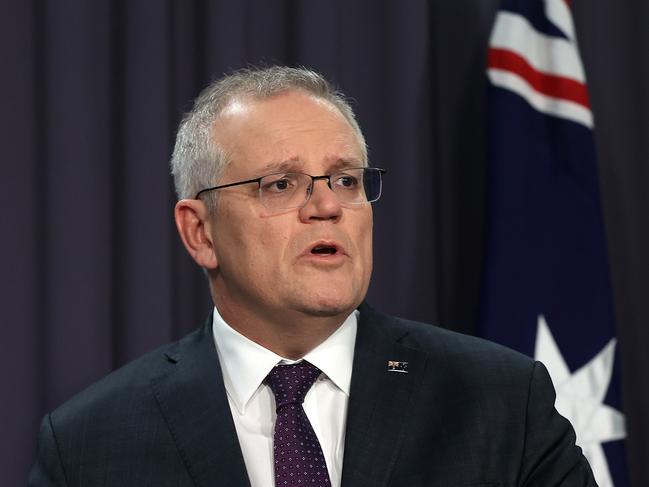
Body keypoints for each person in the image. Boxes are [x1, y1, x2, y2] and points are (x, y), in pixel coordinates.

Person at [29, 66, 596, 487]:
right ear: (200, 232)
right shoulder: (89, 444)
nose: (327, 207)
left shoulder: (500, 402)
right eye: (281, 184)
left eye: (346, 181)